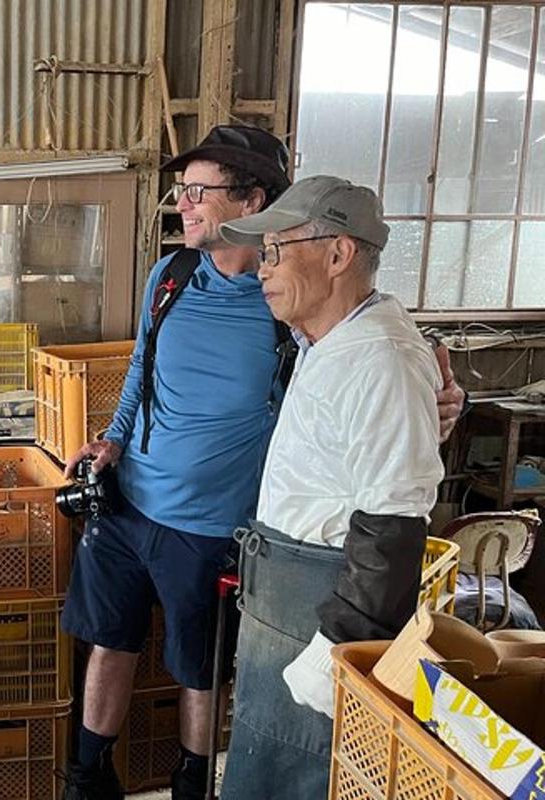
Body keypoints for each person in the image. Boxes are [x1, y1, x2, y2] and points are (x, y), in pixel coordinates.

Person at [58, 129, 464, 800]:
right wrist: (115, 439)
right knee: (111, 639)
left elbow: (382, 396)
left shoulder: (292, 312)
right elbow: (142, 368)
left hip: (220, 527)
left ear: (252, 199)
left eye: (199, 191)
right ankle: (87, 777)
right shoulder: (174, 277)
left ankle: (192, 782)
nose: (183, 204)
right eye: (180, 191)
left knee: (201, 669)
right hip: (135, 504)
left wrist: (433, 402)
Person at [216, 175, 445, 799]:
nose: (262, 269)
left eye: (276, 251)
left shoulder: (382, 359)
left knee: (299, 777)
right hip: (285, 602)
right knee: (260, 774)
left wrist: (336, 650)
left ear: (338, 254)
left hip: (318, 614)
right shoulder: (331, 341)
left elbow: (395, 521)